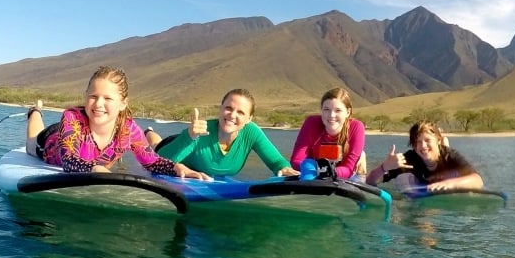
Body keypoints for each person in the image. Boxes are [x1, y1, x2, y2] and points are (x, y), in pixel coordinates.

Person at [26, 66, 210, 180]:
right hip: (50, 143)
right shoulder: (71, 117)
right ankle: (36, 110)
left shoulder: (128, 130)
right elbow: (69, 162)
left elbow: (152, 162)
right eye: (93, 96)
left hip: (79, 142)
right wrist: (95, 168)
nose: (98, 104)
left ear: (123, 103)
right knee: (31, 142)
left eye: (107, 98)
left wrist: (177, 168)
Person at [144, 88, 299, 178]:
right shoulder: (201, 131)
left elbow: (276, 162)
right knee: (156, 143)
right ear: (221, 108)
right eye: (228, 108)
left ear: (249, 119)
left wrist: (284, 168)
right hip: (179, 145)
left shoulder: (252, 133)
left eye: (240, 112)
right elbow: (158, 161)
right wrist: (189, 136)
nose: (232, 115)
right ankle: (148, 131)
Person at [365, 120, 483, 193]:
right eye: (418, 142)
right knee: (404, 179)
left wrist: (449, 184)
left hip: (445, 175)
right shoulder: (409, 158)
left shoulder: (449, 155)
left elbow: (477, 180)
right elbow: (370, 181)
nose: (423, 146)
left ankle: (444, 143)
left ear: (437, 139)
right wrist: (384, 167)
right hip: (421, 185)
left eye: (427, 140)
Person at [289, 87, 366, 179]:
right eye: (326, 109)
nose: (331, 115)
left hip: (344, 174)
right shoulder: (311, 123)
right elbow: (296, 160)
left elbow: (349, 168)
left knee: (361, 156)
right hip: (311, 171)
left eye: (338, 110)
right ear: (321, 110)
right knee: (308, 164)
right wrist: (311, 167)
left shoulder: (356, 127)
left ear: (348, 112)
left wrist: (330, 171)